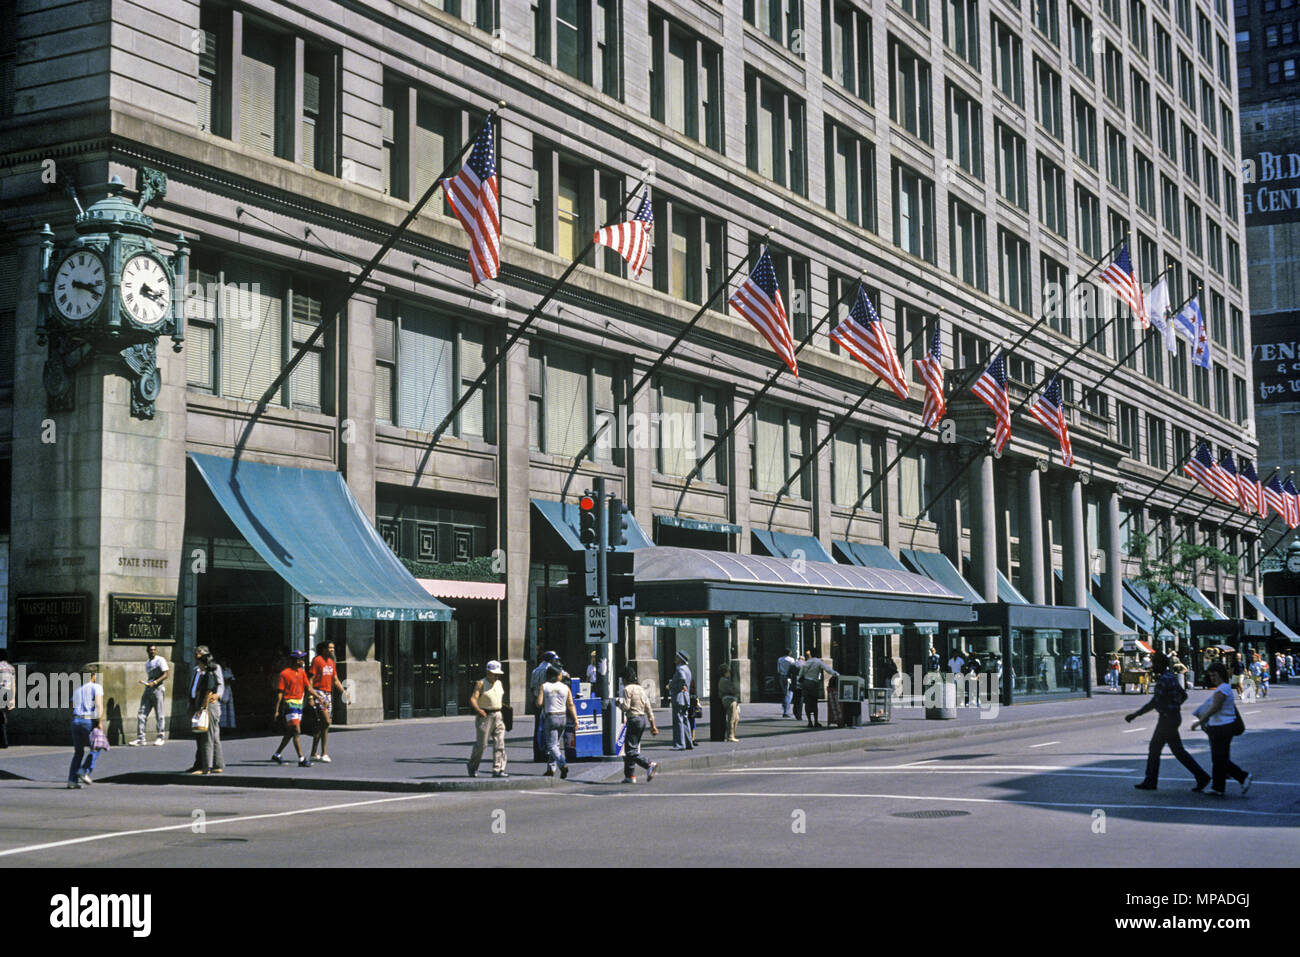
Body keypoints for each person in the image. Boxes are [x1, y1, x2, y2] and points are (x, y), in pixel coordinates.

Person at [1126, 652, 1211, 792]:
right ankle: (1201, 776)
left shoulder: (1162, 680)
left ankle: (1151, 781)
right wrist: (1175, 706)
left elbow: (1154, 702)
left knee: (1156, 749)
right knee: (1176, 751)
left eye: (1155, 663)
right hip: (1173, 717)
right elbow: (1184, 695)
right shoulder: (1171, 677)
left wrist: (1135, 715)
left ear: (1160, 664)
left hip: (1166, 719)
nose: (1152, 666)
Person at [1190, 661, 1252, 797]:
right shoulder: (1225, 688)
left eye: (1214, 675)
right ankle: (1218, 787)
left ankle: (1243, 776)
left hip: (1222, 727)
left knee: (1219, 759)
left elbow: (1215, 707)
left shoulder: (1222, 689)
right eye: (1210, 676)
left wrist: (1200, 721)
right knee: (1218, 758)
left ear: (1221, 674)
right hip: (1221, 726)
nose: (1212, 678)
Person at [615, 668, 659, 784]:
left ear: (625, 679)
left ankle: (649, 764)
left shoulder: (627, 689)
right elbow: (648, 708)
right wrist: (653, 725)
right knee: (632, 747)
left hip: (633, 719)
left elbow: (626, 707)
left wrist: (618, 704)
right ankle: (629, 776)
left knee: (630, 750)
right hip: (642, 719)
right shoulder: (641, 689)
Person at [271, 650, 314, 767]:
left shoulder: (302, 672)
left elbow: (308, 687)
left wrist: (319, 698)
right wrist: (277, 709)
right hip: (289, 704)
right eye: (301, 659)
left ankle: (277, 754)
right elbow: (280, 693)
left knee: (290, 732)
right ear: (296, 660)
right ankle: (301, 758)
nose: (303, 661)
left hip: (299, 704)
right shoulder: (284, 674)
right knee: (297, 731)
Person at [467, 660, 509, 778]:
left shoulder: (499, 683)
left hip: (498, 715)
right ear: (488, 672)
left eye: (497, 674)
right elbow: (473, 698)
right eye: (494, 674)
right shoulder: (481, 683)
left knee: (500, 743)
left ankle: (498, 769)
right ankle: (472, 766)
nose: (496, 676)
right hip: (485, 716)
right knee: (482, 745)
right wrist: (478, 709)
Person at [188, 646, 225, 775]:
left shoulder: (213, 669)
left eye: (198, 653)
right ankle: (215, 764)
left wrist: (218, 695)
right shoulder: (196, 670)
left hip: (208, 705)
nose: (196, 656)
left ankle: (207, 766)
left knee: (208, 737)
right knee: (210, 736)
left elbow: (219, 685)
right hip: (196, 703)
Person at [535, 665, 577, 779]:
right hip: (563, 717)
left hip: (551, 717)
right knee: (556, 744)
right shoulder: (565, 687)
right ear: (557, 676)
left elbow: (538, 703)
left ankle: (562, 764)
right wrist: (576, 720)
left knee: (551, 745)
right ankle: (550, 769)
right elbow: (571, 704)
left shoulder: (544, 686)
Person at [67, 663, 104, 788]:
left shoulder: (78, 690)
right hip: (88, 721)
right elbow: (99, 705)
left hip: (76, 721)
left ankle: (72, 781)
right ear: (93, 676)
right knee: (97, 747)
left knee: (78, 752)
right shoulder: (96, 687)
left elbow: (70, 707)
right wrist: (99, 722)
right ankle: (84, 770)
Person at [308, 641, 340, 763]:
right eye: (330, 648)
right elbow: (310, 680)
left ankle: (314, 753)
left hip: (328, 694)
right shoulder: (317, 660)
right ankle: (324, 753)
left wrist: (344, 692)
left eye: (333, 648)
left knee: (324, 725)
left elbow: (335, 680)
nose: (332, 650)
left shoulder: (332, 662)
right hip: (318, 693)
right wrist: (311, 697)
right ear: (324, 649)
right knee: (326, 721)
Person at [131, 644, 169, 747]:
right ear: (147, 651)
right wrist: (148, 683)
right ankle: (141, 738)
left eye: (154, 650)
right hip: (148, 689)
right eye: (151, 650)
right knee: (141, 713)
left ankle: (160, 737)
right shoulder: (147, 663)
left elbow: (166, 674)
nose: (152, 651)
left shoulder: (160, 660)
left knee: (159, 714)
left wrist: (155, 682)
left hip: (158, 689)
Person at [530, 651, 559, 762]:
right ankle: (546, 753)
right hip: (547, 701)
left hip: (537, 700)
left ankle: (537, 754)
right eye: (554, 659)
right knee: (548, 728)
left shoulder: (535, 670)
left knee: (538, 727)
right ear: (550, 660)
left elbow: (532, 688)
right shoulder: (549, 670)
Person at [799, 648, 838, 728]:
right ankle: (816, 721)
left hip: (806, 683)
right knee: (814, 702)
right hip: (813, 683)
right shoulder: (818, 662)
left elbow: (800, 674)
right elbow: (828, 669)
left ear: (811, 654)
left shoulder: (806, 662)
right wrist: (836, 674)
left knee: (807, 702)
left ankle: (809, 722)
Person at [669, 650, 694, 750]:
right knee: (684, 720)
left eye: (677, 657)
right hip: (685, 698)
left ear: (680, 659)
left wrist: (673, 686)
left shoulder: (680, 669)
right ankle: (688, 743)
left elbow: (682, 681)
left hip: (679, 697)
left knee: (678, 721)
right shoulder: (687, 669)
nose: (675, 658)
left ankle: (680, 744)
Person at [718, 663, 741, 742]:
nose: (729, 673)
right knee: (732, 718)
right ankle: (730, 735)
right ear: (725, 672)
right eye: (728, 672)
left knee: (735, 717)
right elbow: (734, 690)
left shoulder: (724, 680)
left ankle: (731, 734)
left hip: (730, 699)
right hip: (730, 700)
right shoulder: (724, 681)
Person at [0, 649, 15, 748]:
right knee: (2, 716)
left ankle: (4, 742)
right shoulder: (11, 668)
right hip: (7, 694)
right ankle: (4, 741)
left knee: (1, 718)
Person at [777, 649, 798, 717]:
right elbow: (793, 669)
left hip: (781, 676)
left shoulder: (779, 659)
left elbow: (778, 669)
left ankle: (784, 706)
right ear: (789, 653)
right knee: (789, 694)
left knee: (784, 692)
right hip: (788, 677)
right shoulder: (791, 660)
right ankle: (786, 712)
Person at [219, 664, 235, 730]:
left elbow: (232, 679)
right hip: (221, 689)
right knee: (222, 709)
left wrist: (228, 680)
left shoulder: (228, 670)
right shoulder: (219, 669)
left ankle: (230, 726)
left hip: (228, 689)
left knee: (229, 708)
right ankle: (223, 726)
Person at [791, 652, 805, 720]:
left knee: (795, 698)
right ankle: (799, 715)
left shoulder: (793, 664)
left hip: (794, 683)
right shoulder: (805, 665)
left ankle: (795, 711)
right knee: (801, 700)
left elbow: (789, 673)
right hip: (801, 683)